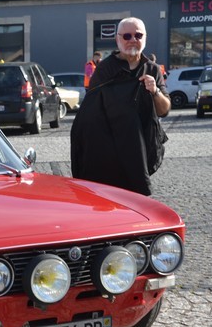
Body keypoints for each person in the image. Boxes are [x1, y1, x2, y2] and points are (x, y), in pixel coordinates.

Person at [70, 17, 170, 196]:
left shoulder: (152, 69)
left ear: (145, 38)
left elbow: (164, 110)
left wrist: (155, 91)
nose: (133, 40)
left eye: (138, 35)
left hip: (141, 148)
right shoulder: (105, 69)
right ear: (117, 39)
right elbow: (91, 113)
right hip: (109, 151)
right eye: (127, 36)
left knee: (136, 200)